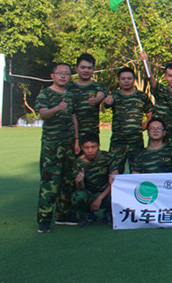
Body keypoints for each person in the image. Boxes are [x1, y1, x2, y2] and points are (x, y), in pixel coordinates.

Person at [35, 63, 80, 232]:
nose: (63, 76)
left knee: (67, 180)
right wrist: (57, 108)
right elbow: (43, 114)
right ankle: (44, 219)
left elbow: (73, 117)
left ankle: (63, 215)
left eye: (66, 74)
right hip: (52, 146)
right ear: (52, 75)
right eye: (60, 73)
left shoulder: (70, 96)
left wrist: (76, 140)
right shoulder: (45, 93)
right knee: (50, 181)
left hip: (68, 144)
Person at [103, 67, 152, 174]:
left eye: (129, 78)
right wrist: (107, 102)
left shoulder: (141, 96)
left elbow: (151, 116)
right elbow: (105, 105)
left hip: (136, 142)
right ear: (119, 80)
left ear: (134, 79)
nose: (126, 81)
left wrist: (142, 127)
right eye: (123, 79)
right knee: (114, 172)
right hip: (118, 142)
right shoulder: (114, 96)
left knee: (137, 172)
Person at [139, 51, 172, 150]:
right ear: (165, 77)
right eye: (170, 76)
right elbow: (150, 78)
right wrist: (145, 62)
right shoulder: (161, 90)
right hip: (157, 135)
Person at [72, 132, 118, 227]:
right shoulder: (78, 163)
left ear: (99, 146)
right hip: (89, 194)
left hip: (106, 193)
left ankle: (109, 213)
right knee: (77, 196)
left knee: (118, 193)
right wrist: (79, 182)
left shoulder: (108, 157)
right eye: (86, 147)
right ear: (81, 147)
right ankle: (84, 216)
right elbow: (80, 189)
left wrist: (99, 199)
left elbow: (115, 181)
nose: (90, 150)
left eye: (93, 147)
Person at [65, 53, 106, 138]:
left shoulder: (98, 86)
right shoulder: (68, 88)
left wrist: (96, 100)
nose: (86, 70)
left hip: (91, 135)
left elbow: (101, 94)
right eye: (83, 67)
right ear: (76, 68)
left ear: (93, 69)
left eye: (89, 68)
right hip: (70, 134)